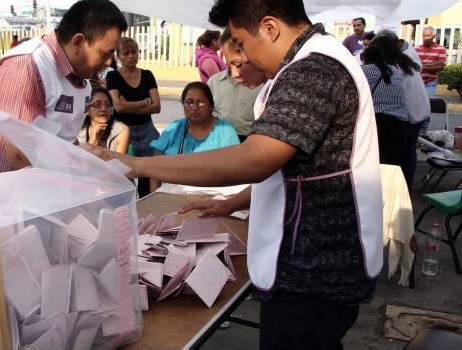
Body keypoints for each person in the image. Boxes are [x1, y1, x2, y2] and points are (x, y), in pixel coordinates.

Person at [82, 1, 383, 349]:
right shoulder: (311, 63)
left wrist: (137, 164)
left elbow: (255, 159)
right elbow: (301, 172)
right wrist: (235, 201)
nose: (241, 60)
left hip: (313, 274)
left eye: (241, 42)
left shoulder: (315, 70)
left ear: (270, 28)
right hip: (312, 266)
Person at [0, 0, 127, 177]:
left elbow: (64, 141)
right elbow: (19, 157)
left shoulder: (80, 80)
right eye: (105, 53)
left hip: (45, 190)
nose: (109, 62)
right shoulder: (26, 67)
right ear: (78, 42)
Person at [149, 82, 239, 191]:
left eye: (201, 103)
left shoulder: (225, 132)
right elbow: (154, 166)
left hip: (213, 199)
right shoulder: (174, 128)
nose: (194, 107)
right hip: (173, 195)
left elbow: (235, 172)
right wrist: (155, 197)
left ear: (211, 106)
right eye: (189, 102)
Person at [371, 35, 429, 189]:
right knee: (408, 154)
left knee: (400, 158)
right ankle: (405, 189)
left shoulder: (393, 66)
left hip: (406, 116)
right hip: (417, 113)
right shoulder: (406, 61)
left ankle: (400, 191)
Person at [106, 36, 161, 198]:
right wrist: (145, 102)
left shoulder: (147, 75)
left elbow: (157, 107)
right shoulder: (113, 77)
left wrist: (128, 106)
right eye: (126, 53)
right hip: (123, 133)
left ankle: (147, 215)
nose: (131, 56)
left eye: (134, 52)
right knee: (124, 180)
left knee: (149, 180)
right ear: (119, 56)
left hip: (148, 132)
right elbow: (118, 107)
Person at [208, 29, 265, 142]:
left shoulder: (265, 86)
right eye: (229, 63)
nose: (235, 74)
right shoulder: (213, 82)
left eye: (239, 64)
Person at [361, 45, 408, 170]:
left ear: (365, 58)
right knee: (394, 162)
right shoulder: (394, 69)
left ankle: (374, 187)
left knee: (373, 160)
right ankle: (394, 187)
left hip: (375, 121)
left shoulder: (363, 70)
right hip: (398, 122)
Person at [77, 87, 130, 153]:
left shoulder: (122, 129)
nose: (103, 109)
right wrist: (93, 140)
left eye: (107, 105)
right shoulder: (78, 131)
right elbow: (79, 161)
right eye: (97, 104)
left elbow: (119, 162)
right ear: (87, 110)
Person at [416, 26, 447, 96]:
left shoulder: (441, 49)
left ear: (434, 36)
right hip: (417, 82)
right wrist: (433, 64)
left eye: (428, 35)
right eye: (424, 36)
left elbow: (441, 66)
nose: (426, 38)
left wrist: (422, 66)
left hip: (430, 82)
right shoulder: (416, 49)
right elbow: (414, 64)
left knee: (429, 102)